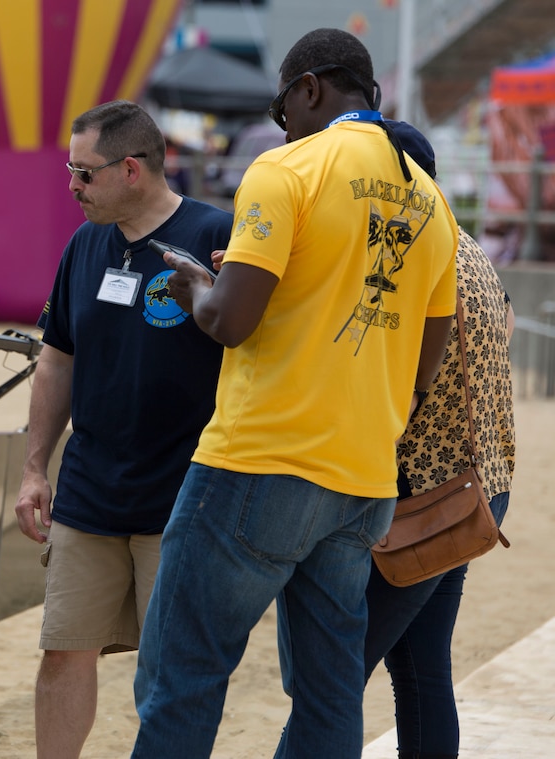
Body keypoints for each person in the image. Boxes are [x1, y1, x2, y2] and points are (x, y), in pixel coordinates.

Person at [130, 28, 460, 758]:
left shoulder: (287, 169)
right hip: (363, 477)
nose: (283, 123)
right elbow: (424, 364)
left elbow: (231, 321)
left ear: (308, 88)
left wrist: (197, 287)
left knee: (183, 672)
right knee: (329, 688)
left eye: (284, 108)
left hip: (260, 460)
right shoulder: (433, 205)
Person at [13, 99, 233, 759]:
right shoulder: (84, 245)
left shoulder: (217, 235)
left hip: (185, 497)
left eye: (85, 174)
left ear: (131, 169)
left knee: (169, 671)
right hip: (89, 491)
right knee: (63, 650)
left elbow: (260, 349)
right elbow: (56, 359)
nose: (72, 187)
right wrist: (33, 467)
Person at [363, 122, 516, 759]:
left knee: (332, 675)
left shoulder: (416, 253)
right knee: (422, 669)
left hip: (423, 501)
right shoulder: (468, 246)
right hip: (475, 487)